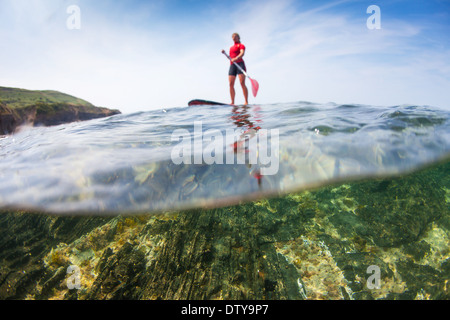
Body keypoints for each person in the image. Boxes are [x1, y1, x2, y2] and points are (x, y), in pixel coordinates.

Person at [224, 33, 249, 105]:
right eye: (233, 37)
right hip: (232, 65)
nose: (234, 38)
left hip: (240, 64)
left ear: (238, 37)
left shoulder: (241, 45)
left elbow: (242, 53)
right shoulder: (231, 48)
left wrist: (236, 58)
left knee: (242, 83)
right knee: (231, 84)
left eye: (235, 36)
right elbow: (230, 57)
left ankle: (246, 101)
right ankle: (232, 102)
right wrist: (224, 53)